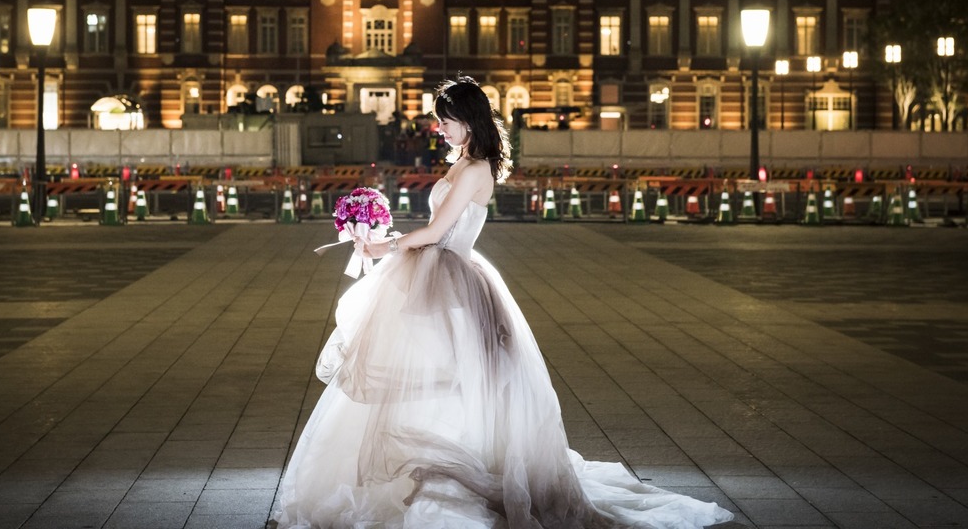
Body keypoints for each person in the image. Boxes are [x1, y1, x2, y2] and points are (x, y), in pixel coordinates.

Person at [271, 77, 735, 529]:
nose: (439, 128)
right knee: (427, 373)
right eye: (439, 121)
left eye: (445, 120)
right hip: (435, 273)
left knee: (447, 375)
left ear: (468, 120)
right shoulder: (462, 163)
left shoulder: (474, 170)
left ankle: (451, 470)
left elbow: (436, 234)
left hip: (449, 278)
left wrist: (384, 247)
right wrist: (390, 236)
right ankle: (428, 468)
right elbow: (436, 229)